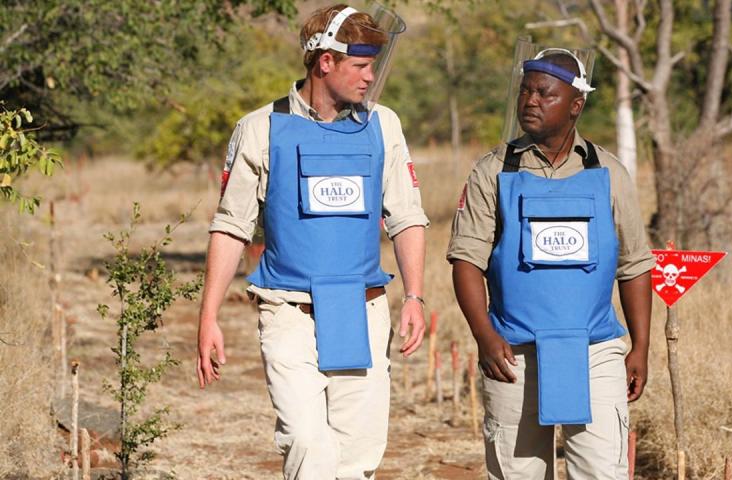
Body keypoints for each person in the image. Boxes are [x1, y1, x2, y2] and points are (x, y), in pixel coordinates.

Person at [195, 4, 428, 478]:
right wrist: (208, 317)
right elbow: (231, 225)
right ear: (325, 62)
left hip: (362, 309)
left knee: (355, 460)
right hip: (288, 312)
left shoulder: (384, 124)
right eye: (360, 66)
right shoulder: (259, 128)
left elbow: (406, 216)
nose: (369, 78)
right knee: (307, 444)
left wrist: (416, 296)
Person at [447, 46, 655, 479]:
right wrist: (485, 337)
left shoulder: (610, 172)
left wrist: (640, 346)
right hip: (513, 353)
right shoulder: (493, 171)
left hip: (596, 352)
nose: (530, 102)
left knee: (602, 471)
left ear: (576, 105)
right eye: (525, 91)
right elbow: (466, 261)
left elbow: (634, 265)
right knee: (517, 472)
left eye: (545, 93)